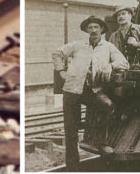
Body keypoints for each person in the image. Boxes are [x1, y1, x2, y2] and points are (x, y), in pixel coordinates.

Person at [53, 15, 130, 169]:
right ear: (87, 30)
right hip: (72, 89)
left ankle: (100, 142)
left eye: (96, 27)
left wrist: (111, 66)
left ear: (101, 30)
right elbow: (57, 53)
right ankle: (72, 167)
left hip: (92, 90)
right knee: (70, 130)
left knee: (107, 106)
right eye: (91, 28)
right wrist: (61, 71)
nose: (94, 30)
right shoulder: (77, 45)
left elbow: (124, 62)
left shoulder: (108, 47)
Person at [107, 5, 140, 72]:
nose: (121, 16)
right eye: (118, 15)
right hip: (120, 71)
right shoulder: (113, 36)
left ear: (130, 16)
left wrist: (137, 44)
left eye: (123, 14)